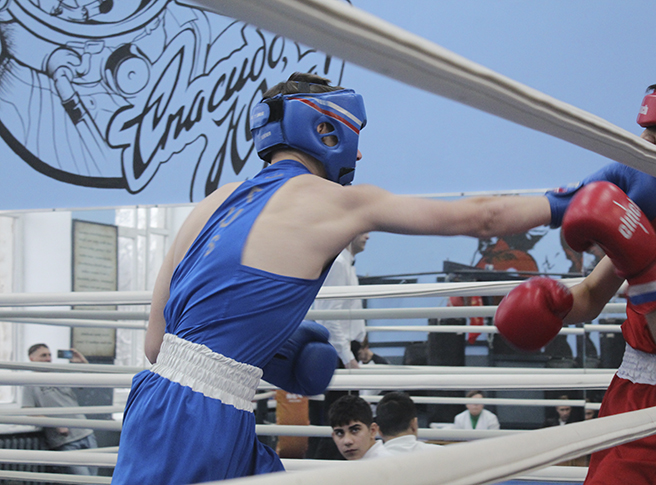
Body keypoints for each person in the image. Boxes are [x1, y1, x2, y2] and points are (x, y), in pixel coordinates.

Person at [112, 70, 580, 484]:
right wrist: (570, 201)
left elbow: (156, 345)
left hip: (155, 402)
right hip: (202, 417)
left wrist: (258, 345)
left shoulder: (214, 201)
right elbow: (483, 217)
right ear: (327, 129)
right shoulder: (337, 202)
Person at [495, 67, 656, 484]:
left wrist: (643, 270)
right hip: (625, 392)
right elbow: (589, 295)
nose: (642, 143)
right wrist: (551, 303)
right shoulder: (652, 204)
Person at [22, 344, 98, 476]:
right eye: (43, 355)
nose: (48, 359)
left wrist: (82, 362)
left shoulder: (60, 374)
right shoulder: (29, 383)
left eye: (49, 355)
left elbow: (91, 381)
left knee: (94, 480)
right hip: (65, 441)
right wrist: (55, 424)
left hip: (86, 433)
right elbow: (29, 411)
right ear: (31, 358)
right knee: (84, 480)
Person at [312, 232, 370, 370]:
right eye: (364, 231)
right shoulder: (338, 264)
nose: (368, 237)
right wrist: (347, 357)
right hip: (339, 350)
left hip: (346, 348)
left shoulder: (347, 264)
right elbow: (329, 317)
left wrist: (361, 346)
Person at [329, 394, 391, 460]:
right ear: (333, 437)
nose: (347, 441)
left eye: (355, 430)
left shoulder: (387, 463)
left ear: (372, 431)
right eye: (339, 433)